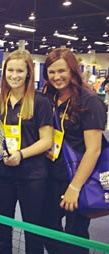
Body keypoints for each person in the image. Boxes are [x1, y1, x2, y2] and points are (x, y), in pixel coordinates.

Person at [0, 49, 53, 254]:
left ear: (28, 74)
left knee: (32, 229)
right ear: (4, 72)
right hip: (2, 175)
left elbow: (47, 141)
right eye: (10, 70)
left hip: (32, 177)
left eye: (19, 71)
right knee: (2, 225)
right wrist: (0, 150)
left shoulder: (40, 102)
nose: (14, 75)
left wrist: (21, 154)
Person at [42, 48, 106, 254]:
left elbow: (94, 150)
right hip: (52, 176)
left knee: (75, 235)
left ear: (72, 70)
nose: (56, 77)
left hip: (80, 179)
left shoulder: (90, 101)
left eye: (61, 71)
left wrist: (75, 187)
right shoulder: (49, 97)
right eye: (51, 72)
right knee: (46, 227)